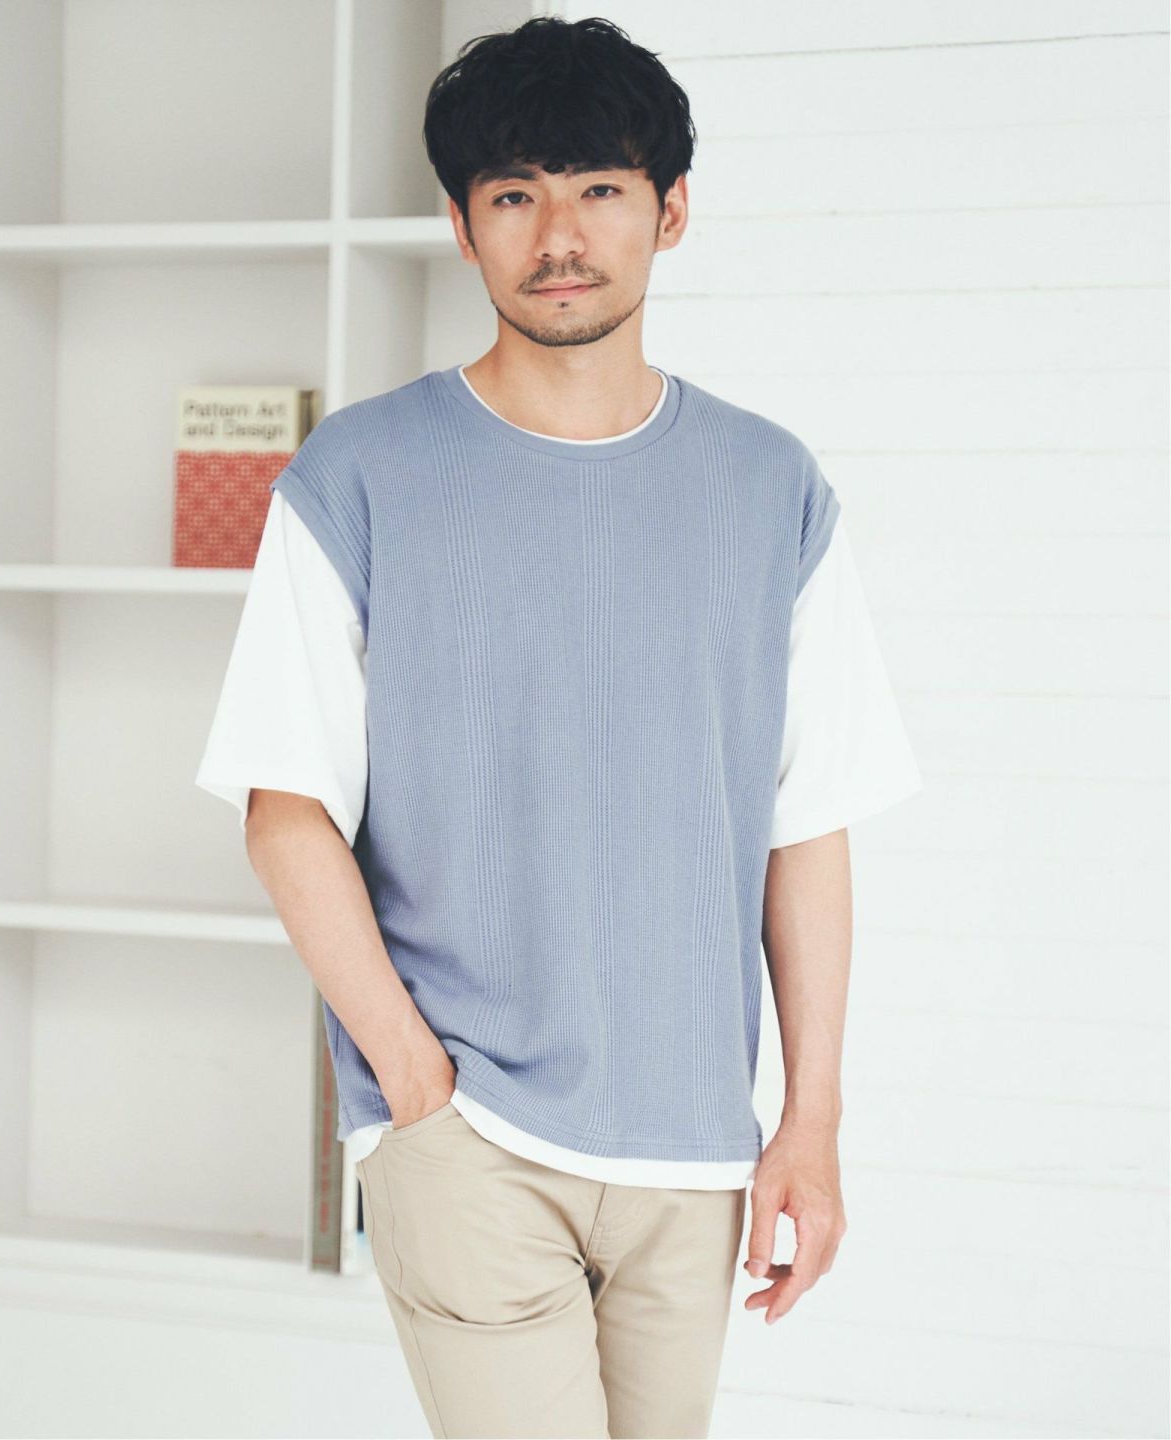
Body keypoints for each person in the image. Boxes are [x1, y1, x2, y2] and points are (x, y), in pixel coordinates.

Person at [196, 15, 922, 1439]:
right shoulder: (360, 474)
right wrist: (415, 1082)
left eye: (600, 187)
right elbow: (285, 810)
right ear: (464, 229)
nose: (561, 235)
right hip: (467, 1129)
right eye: (515, 194)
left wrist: (811, 1122)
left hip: (693, 1148)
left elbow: (806, 822)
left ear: (671, 210)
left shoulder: (771, 488)